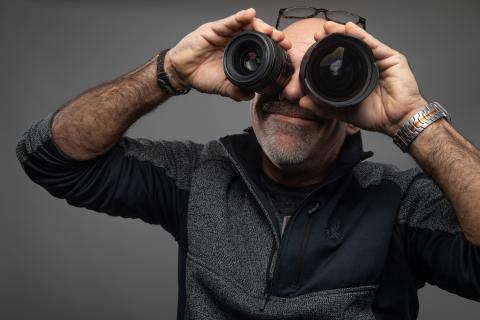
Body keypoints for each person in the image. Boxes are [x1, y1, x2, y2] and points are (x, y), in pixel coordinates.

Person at [16, 7, 480, 320]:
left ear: (356, 113)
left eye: (324, 76)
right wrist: (169, 73)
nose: (290, 93)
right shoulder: (200, 176)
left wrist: (410, 120)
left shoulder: (399, 203)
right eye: (277, 69)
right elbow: (50, 158)